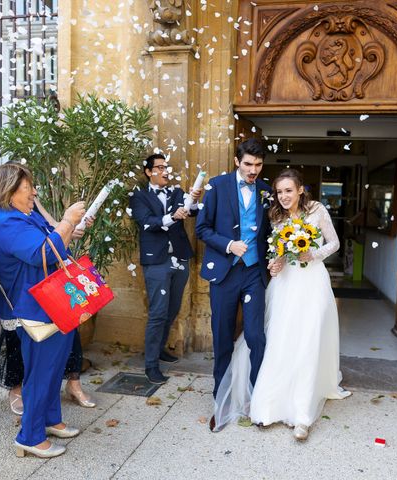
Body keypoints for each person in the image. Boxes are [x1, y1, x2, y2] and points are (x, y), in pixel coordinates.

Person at [212, 169, 351, 440]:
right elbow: (278, 252)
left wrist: (313, 253)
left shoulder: (317, 210)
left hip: (312, 283)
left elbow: (334, 243)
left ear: (300, 190)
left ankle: (302, 415)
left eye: (289, 190)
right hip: (285, 284)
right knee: (280, 339)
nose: (284, 196)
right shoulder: (276, 216)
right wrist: (276, 263)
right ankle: (269, 404)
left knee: (308, 341)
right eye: (279, 192)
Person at [0, 163, 86, 459]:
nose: (35, 193)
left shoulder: (24, 215)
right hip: (35, 308)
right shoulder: (4, 222)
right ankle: (30, 436)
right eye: (29, 187)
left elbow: (56, 241)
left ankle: (50, 420)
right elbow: (44, 253)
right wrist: (66, 220)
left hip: (53, 302)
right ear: (9, 190)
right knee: (41, 372)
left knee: (53, 367)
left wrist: (67, 228)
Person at [196, 138, 271, 430]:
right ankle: (221, 399)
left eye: (258, 165)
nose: (253, 170)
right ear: (238, 162)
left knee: (256, 336)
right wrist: (228, 245)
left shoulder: (266, 191)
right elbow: (202, 228)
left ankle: (257, 397)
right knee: (223, 336)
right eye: (249, 164)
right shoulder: (217, 186)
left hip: (254, 273)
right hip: (225, 274)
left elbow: (274, 230)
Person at [130, 153, 203, 384]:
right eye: (159, 167)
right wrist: (172, 216)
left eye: (166, 167)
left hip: (179, 258)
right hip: (156, 261)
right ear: (148, 172)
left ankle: (160, 349)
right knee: (158, 313)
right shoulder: (139, 196)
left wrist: (194, 200)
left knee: (172, 310)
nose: (165, 171)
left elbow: (191, 211)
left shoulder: (176, 192)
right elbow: (146, 223)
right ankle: (151, 365)